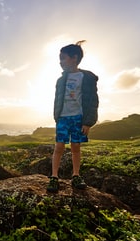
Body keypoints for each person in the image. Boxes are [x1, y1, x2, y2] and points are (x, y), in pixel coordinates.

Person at [47, 40, 99, 192]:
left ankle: (76, 175)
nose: (60, 61)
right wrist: (56, 117)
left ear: (74, 58)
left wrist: (88, 122)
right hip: (63, 117)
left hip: (78, 117)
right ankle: (54, 177)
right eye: (60, 58)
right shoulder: (61, 80)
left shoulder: (86, 78)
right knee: (59, 146)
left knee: (76, 146)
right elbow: (57, 99)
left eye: (63, 58)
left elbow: (92, 101)